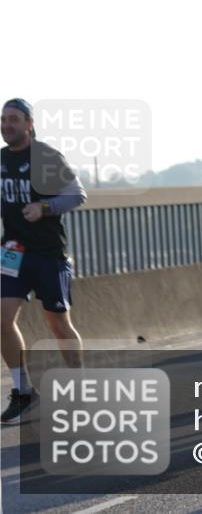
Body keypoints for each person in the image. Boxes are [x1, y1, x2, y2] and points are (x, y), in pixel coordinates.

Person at [1, 99, 87, 423]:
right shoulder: (1, 160)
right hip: (13, 251)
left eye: (14, 119)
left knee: (58, 323)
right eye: (3, 119)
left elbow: (77, 194)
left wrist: (44, 208)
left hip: (48, 253)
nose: (6, 125)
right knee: (1, 319)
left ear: (29, 124)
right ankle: (23, 391)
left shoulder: (45, 157)